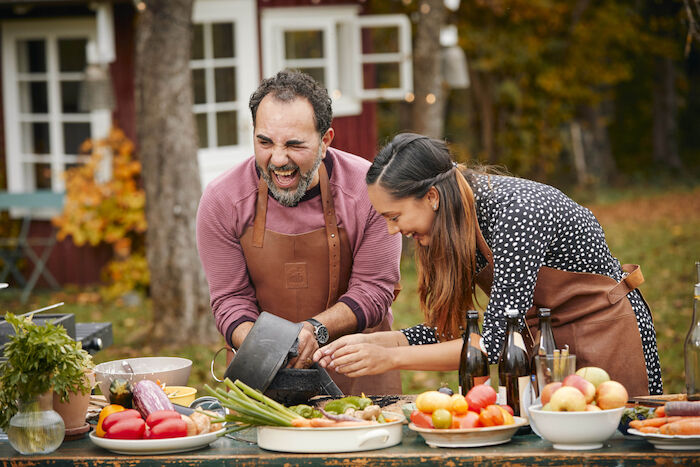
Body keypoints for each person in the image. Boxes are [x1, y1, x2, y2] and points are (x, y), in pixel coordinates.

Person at [314, 132, 662, 397]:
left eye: (395, 216)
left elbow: (493, 344)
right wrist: (376, 344)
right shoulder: (454, 222)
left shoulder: (517, 212)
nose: (394, 230)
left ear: (431, 197)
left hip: (607, 334)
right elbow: (452, 332)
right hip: (545, 347)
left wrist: (391, 359)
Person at [196, 70, 403, 395]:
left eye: (294, 144)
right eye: (264, 142)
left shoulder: (369, 191)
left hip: (360, 376)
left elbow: (375, 290)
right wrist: (269, 348)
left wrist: (314, 330)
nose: (278, 159)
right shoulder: (223, 200)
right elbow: (230, 298)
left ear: (325, 141)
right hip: (262, 381)